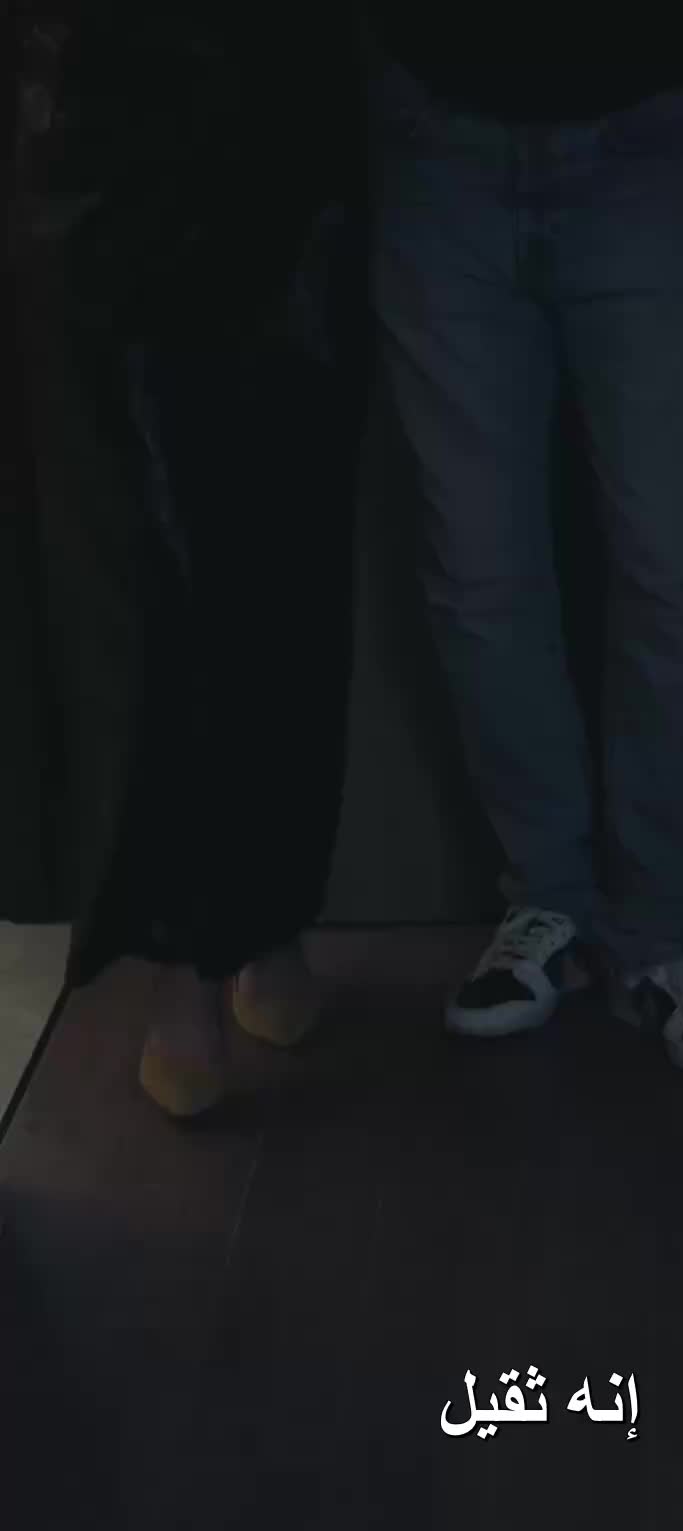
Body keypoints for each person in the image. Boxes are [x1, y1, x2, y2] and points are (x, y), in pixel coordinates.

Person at [363, 14, 683, 1075]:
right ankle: (548, 900)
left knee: (672, 569)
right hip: (437, 127)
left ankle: (667, 934)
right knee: (478, 569)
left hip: (653, 126)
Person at [12, 4, 367, 1118]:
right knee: (149, 584)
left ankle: (266, 923)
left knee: (282, 564)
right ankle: (187, 957)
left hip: (282, 132)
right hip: (100, 141)